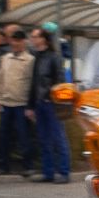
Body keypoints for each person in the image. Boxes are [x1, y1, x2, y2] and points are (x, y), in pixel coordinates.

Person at [25, 27, 71, 183]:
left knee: (58, 138)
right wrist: (30, 106)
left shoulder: (54, 58)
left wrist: (52, 98)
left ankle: (64, 172)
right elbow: (34, 83)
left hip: (51, 104)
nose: (32, 39)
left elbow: (59, 81)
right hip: (39, 104)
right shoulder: (36, 57)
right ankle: (48, 172)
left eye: (35, 36)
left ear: (43, 39)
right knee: (44, 139)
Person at [0, 27, 35, 175]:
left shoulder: (30, 60)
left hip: (21, 105)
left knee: (24, 137)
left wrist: (30, 106)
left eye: (18, 41)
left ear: (23, 42)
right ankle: (2, 166)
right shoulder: (5, 58)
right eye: (13, 41)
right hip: (5, 104)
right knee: (4, 137)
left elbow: (33, 84)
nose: (15, 44)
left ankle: (28, 166)